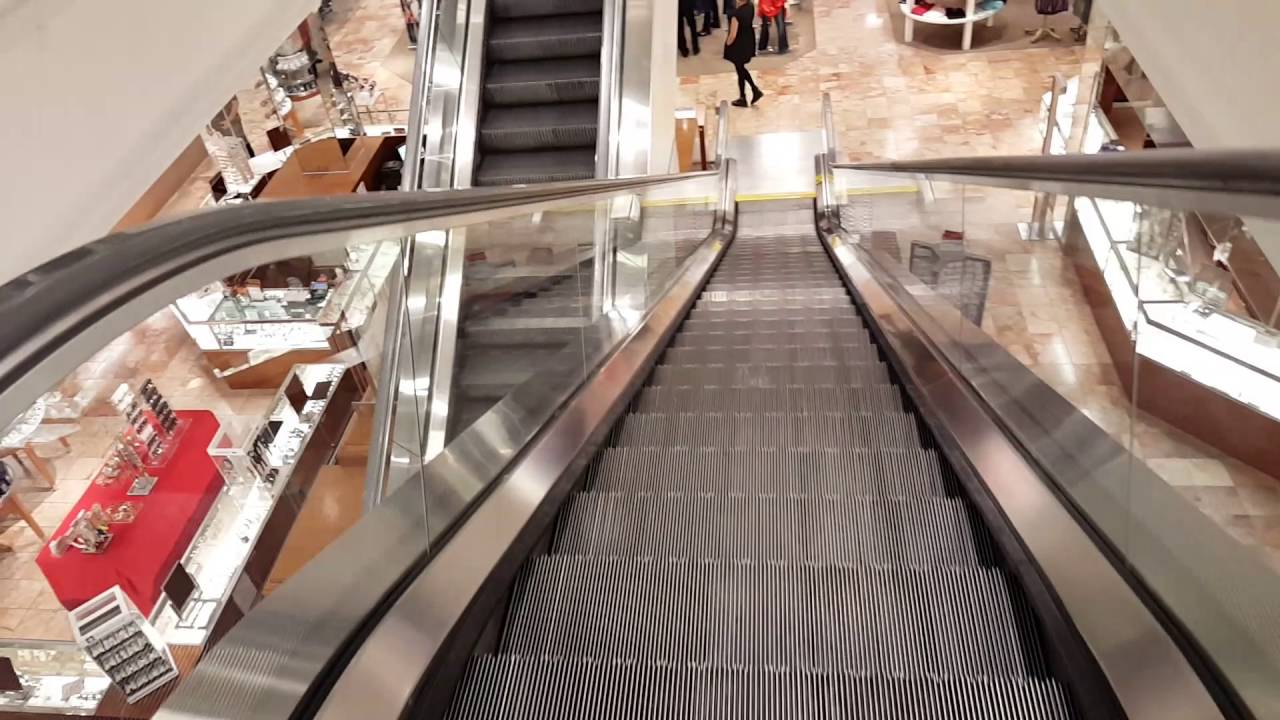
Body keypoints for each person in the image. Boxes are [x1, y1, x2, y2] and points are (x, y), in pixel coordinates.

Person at [724, 0, 763, 107]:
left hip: (738, 44)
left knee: (740, 69)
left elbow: (732, 35)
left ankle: (750, 93)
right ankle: (746, 94)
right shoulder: (750, 6)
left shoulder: (736, 15)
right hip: (748, 40)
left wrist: (727, 44)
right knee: (740, 68)